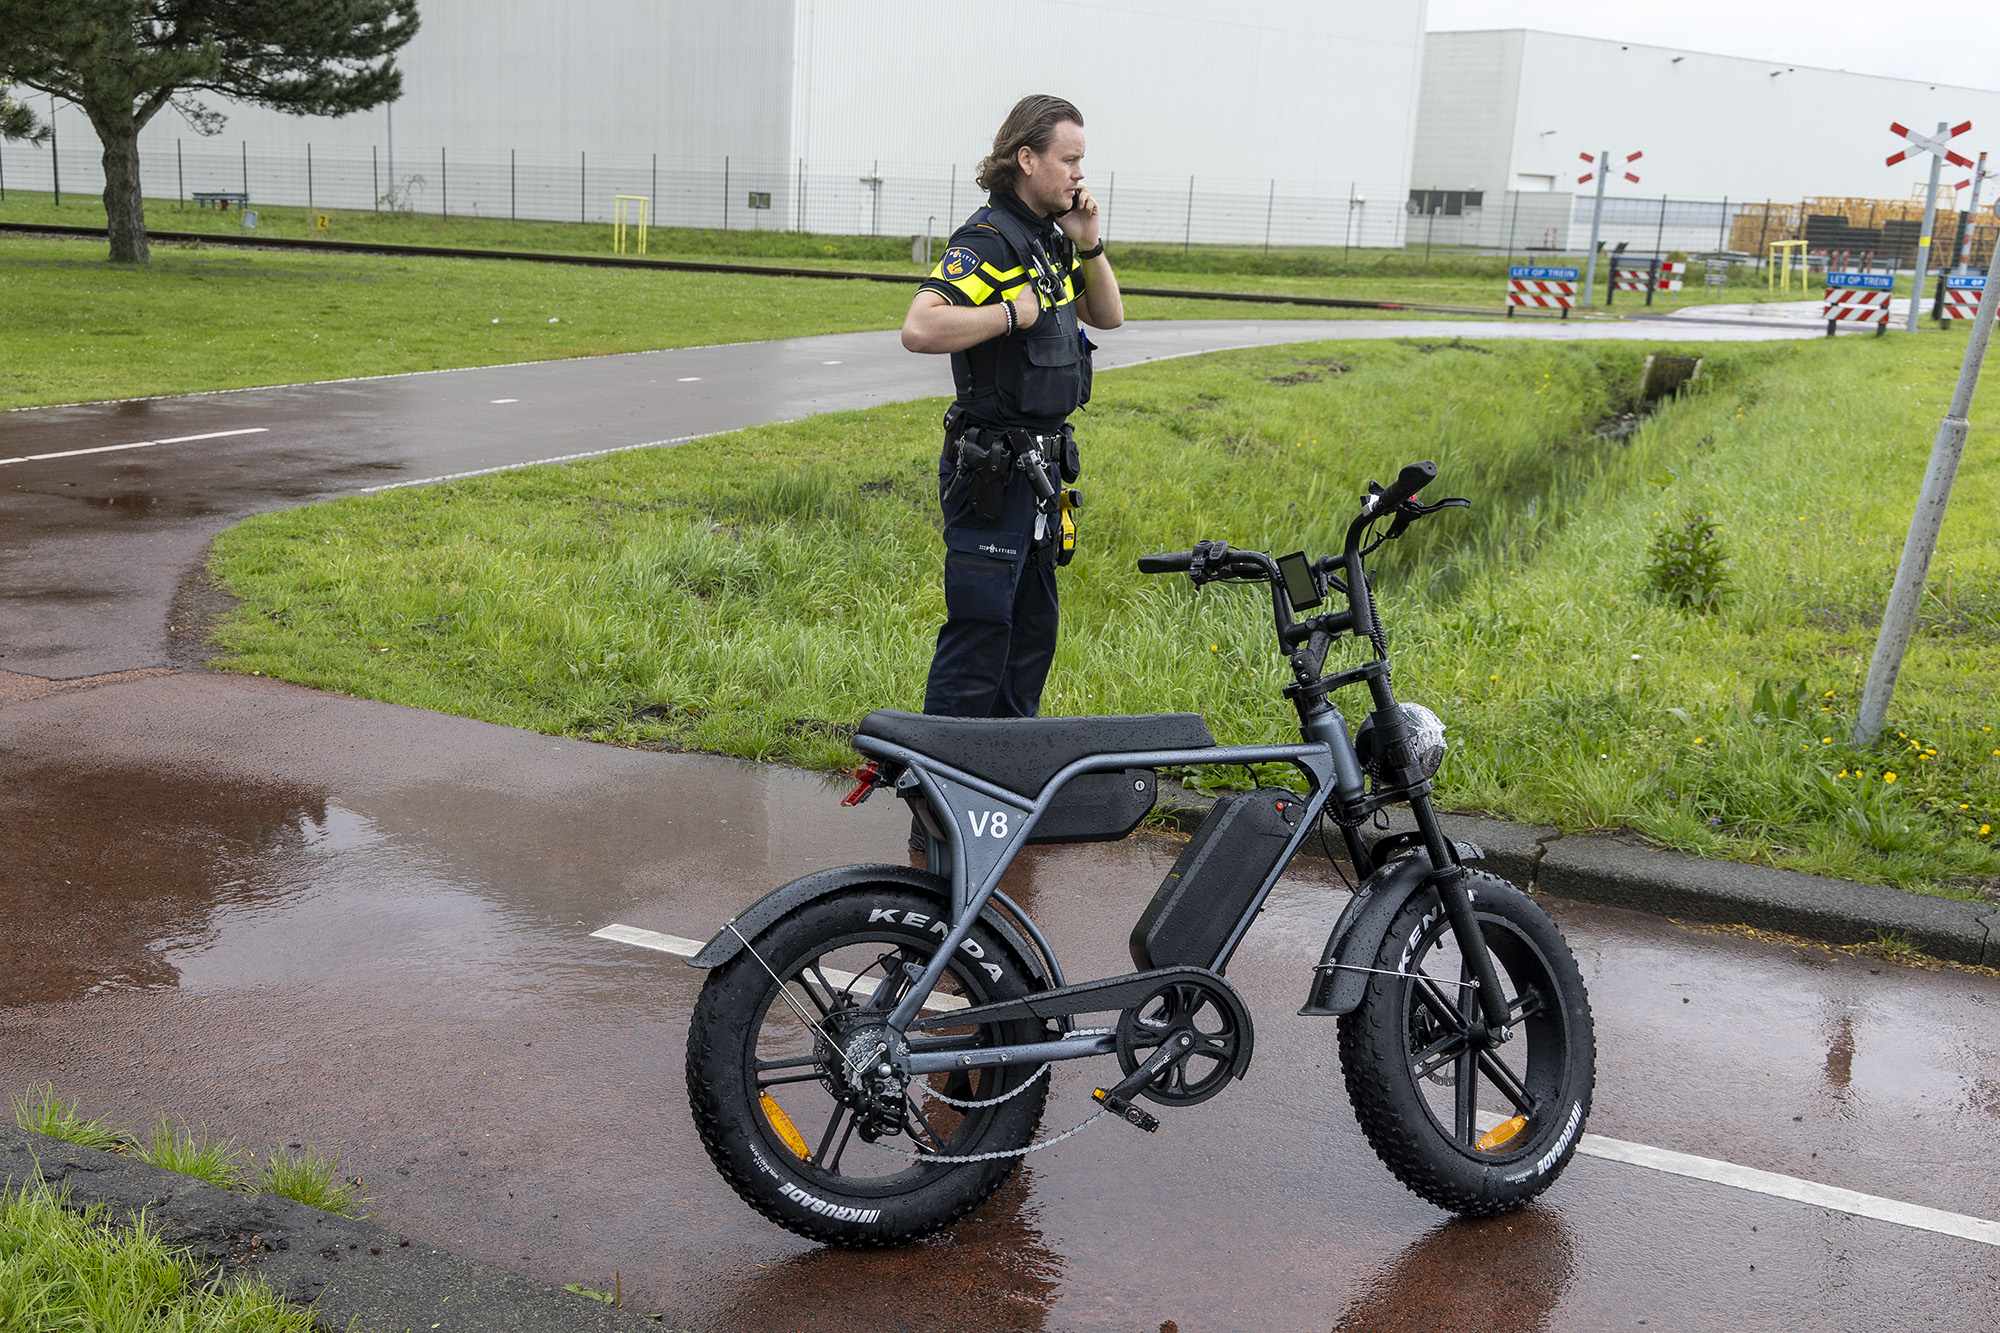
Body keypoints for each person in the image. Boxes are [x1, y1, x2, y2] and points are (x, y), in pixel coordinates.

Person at [901, 93, 1124, 721]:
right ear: (1027, 159)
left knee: (1030, 639)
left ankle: (1003, 772)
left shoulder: (1049, 243)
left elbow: (1108, 315)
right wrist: (1007, 313)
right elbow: (919, 327)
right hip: (992, 475)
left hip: (1040, 473)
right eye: (1069, 160)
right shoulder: (989, 241)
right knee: (981, 636)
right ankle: (941, 781)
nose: (1080, 173)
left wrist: (1090, 244)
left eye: (1082, 161)